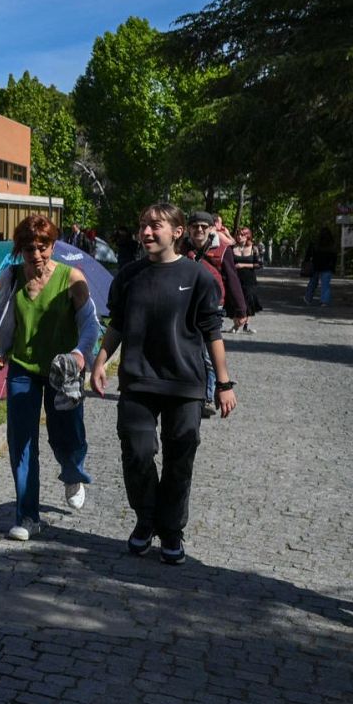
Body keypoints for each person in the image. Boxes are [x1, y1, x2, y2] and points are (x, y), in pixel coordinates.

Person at [92, 203, 237, 565]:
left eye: (155, 226)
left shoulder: (198, 277)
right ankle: (145, 520)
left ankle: (171, 529)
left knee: (179, 458)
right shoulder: (128, 276)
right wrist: (100, 360)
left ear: (178, 232)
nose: (146, 232)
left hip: (185, 383)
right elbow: (118, 325)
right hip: (138, 380)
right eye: (143, 225)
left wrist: (224, 383)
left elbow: (211, 332)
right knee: (137, 452)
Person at [0, 214, 99, 541]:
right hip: (22, 368)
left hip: (63, 372)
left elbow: (91, 323)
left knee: (66, 434)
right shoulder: (11, 276)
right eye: (29, 248)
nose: (36, 255)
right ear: (19, 248)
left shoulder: (72, 278)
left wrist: (80, 354)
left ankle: (73, 471)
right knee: (20, 440)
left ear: (54, 245)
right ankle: (27, 516)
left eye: (43, 247)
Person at [184, 210, 245, 415]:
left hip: (213, 306)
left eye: (204, 226)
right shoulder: (181, 248)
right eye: (195, 226)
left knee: (209, 353)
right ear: (188, 229)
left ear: (212, 229)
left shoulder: (223, 249)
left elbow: (232, 278)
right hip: (185, 305)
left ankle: (208, 397)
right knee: (190, 350)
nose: (199, 230)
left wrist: (240, 309)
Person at [229, 226, 263, 332]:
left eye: (242, 235)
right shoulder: (231, 248)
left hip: (249, 279)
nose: (239, 236)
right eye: (238, 234)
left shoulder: (254, 248)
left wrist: (243, 265)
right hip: (235, 278)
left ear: (248, 236)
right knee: (235, 300)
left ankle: (246, 325)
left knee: (249, 301)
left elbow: (259, 265)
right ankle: (236, 324)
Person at [302, 225, 337, 307]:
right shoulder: (331, 244)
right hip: (327, 267)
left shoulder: (315, 243)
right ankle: (324, 301)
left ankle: (308, 298)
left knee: (313, 283)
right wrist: (333, 267)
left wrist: (306, 261)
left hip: (316, 266)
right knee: (325, 284)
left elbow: (308, 254)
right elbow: (334, 256)